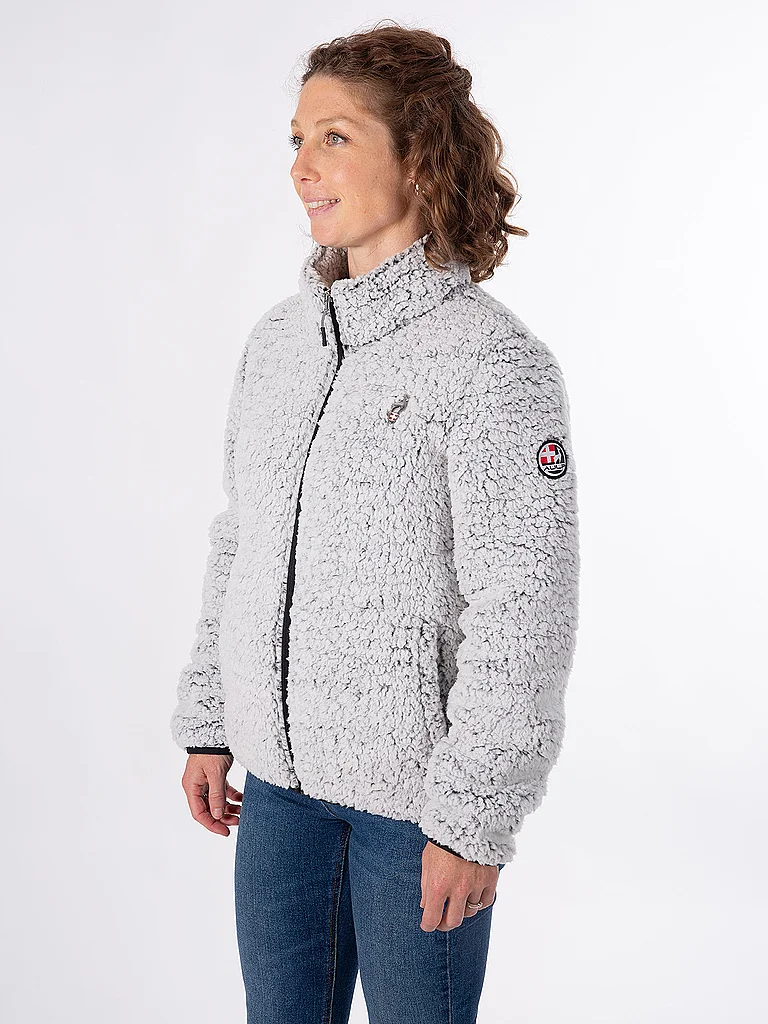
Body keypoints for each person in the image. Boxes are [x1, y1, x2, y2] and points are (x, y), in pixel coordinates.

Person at [169, 20, 580, 1024]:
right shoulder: (278, 347)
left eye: (335, 137)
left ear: (419, 153)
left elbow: (525, 607)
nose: (301, 167)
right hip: (278, 797)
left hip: (417, 813)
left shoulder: (495, 366)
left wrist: (474, 817)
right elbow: (239, 540)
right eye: (297, 140)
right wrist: (212, 718)